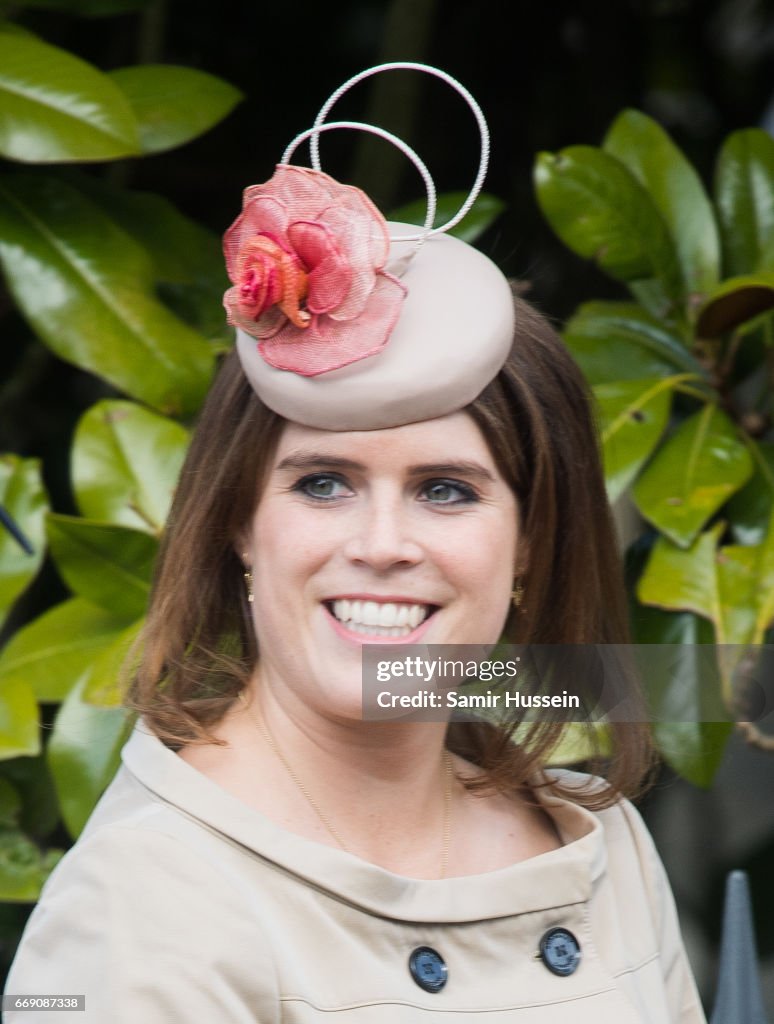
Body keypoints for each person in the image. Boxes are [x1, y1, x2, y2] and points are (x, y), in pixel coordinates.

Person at [4, 64, 707, 1023]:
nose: (383, 545)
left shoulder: (597, 844)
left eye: (447, 491)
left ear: (533, 538)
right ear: (241, 520)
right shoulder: (137, 912)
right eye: (324, 483)